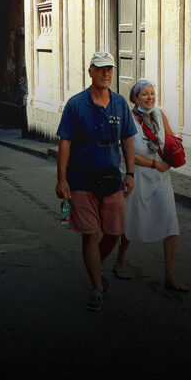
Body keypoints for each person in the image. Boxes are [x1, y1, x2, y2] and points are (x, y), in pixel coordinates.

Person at [56, 51, 136, 311]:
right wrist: (62, 179)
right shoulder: (76, 104)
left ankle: (96, 266)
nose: (106, 74)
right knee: (90, 234)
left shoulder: (120, 103)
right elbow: (65, 143)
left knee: (113, 232)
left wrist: (131, 173)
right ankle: (97, 287)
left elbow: (127, 140)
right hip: (81, 180)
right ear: (90, 71)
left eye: (109, 69)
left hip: (111, 178)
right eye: (100, 69)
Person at [113, 79, 189, 292]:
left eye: (152, 93)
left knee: (170, 222)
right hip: (135, 176)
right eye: (145, 94)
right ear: (135, 98)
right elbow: (128, 153)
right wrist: (155, 163)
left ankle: (170, 276)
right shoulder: (128, 118)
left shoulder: (159, 114)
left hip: (160, 177)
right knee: (130, 222)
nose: (150, 98)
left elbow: (170, 137)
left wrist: (176, 148)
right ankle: (119, 261)